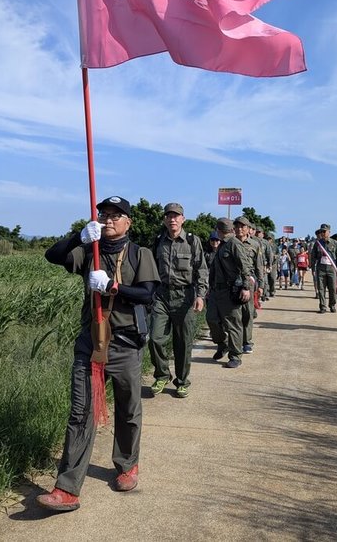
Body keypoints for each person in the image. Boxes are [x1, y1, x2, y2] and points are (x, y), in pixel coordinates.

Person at [38, 196, 160, 511]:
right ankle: (67, 488)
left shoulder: (139, 253)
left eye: (116, 215)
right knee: (81, 412)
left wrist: (113, 288)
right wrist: (79, 236)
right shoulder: (88, 252)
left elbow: (147, 294)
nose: (108, 220)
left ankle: (127, 464)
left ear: (128, 222)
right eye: (104, 214)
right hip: (91, 342)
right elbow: (52, 256)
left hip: (125, 343)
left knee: (127, 408)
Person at [147, 203, 208, 398]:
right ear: (164, 220)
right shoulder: (158, 241)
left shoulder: (192, 241)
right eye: (169, 216)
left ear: (183, 219)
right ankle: (162, 374)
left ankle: (182, 381)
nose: (172, 219)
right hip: (162, 296)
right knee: (155, 338)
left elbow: (201, 270)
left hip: (185, 297)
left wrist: (200, 295)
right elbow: (151, 269)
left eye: (176, 216)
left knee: (182, 342)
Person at [205, 217, 254, 368]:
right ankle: (222, 343)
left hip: (230, 290)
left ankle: (235, 355)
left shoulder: (234, 244)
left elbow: (245, 267)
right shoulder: (222, 245)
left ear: (219, 231)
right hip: (216, 290)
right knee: (211, 319)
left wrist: (245, 287)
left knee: (233, 323)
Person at [234, 216, 262, 354]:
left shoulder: (254, 245)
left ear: (248, 229)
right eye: (237, 226)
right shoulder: (229, 243)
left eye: (242, 226)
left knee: (247, 313)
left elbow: (258, 266)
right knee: (233, 313)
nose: (239, 229)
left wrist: (261, 285)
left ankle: (247, 341)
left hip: (248, 282)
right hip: (232, 282)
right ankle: (234, 341)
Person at [310, 224, 337, 314]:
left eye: (324, 231)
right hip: (321, 268)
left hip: (331, 268)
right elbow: (313, 257)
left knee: (332, 288)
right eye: (321, 231)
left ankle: (332, 305)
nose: (322, 233)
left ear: (329, 232)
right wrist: (313, 268)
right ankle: (322, 306)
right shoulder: (318, 243)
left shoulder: (335, 243)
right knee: (321, 288)